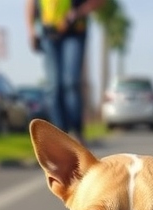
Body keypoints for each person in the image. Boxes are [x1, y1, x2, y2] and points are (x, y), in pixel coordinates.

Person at [25, 0, 106, 144]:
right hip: (48, 33)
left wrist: (78, 12)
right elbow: (31, 3)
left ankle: (76, 131)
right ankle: (60, 134)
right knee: (53, 86)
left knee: (71, 82)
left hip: (74, 31)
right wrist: (31, 30)